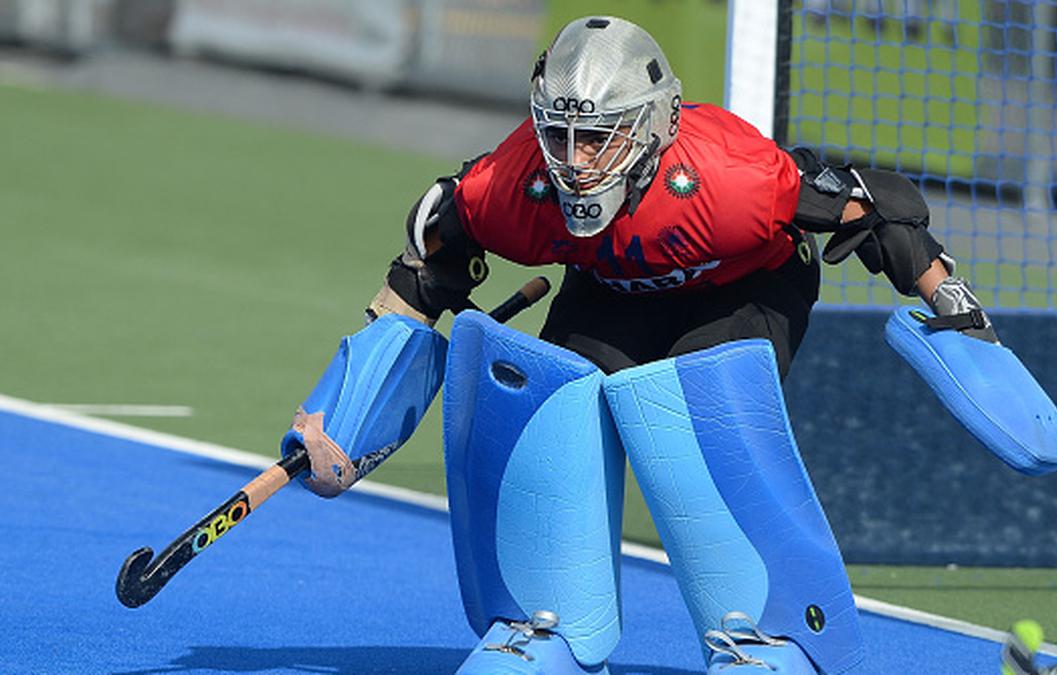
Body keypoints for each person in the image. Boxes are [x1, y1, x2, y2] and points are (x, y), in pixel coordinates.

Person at [284, 15, 1001, 675]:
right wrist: (343, 412)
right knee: (546, 399)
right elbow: (422, 276)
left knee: (697, 408)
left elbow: (880, 214)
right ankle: (549, 625)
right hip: (612, 289)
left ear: (657, 125)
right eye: (559, 135)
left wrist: (952, 301)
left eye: (598, 136)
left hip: (745, 288)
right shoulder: (514, 184)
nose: (574, 162)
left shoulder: (735, 180)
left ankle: (772, 639)